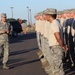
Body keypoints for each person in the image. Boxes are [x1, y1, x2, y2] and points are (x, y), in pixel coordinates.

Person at [44, 8, 68, 75]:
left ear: (49, 16)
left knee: (58, 67)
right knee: (56, 66)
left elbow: (57, 37)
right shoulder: (54, 23)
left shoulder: (54, 23)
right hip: (55, 47)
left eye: (46, 15)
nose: (45, 17)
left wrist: (62, 45)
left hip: (56, 47)